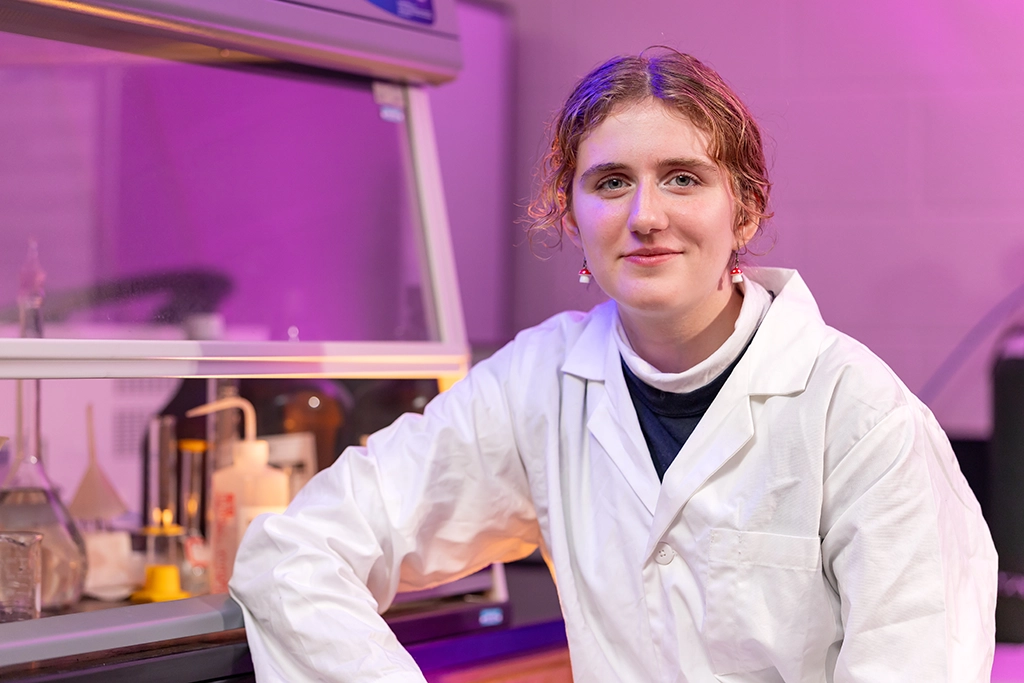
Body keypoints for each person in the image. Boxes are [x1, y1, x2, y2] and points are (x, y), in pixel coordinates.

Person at [230, 48, 997, 681]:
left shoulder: (859, 415)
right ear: (572, 215)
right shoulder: (541, 381)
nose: (646, 215)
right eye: (611, 183)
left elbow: (917, 656)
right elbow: (295, 551)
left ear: (748, 209)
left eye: (683, 177)